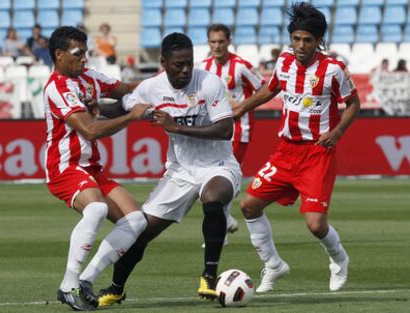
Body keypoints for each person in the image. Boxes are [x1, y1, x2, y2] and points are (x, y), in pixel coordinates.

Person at [96, 32, 242, 307]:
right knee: (140, 233)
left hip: (218, 166)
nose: (186, 69)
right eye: (178, 65)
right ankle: (116, 288)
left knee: (213, 199)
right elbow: (123, 106)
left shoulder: (209, 82)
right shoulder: (151, 88)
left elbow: (225, 129)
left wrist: (176, 127)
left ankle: (209, 276)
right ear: (163, 62)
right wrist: (92, 111)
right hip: (180, 172)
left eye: (189, 63)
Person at [233, 2, 360, 293]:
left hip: (316, 154)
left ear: (319, 41)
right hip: (285, 151)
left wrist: (338, 131)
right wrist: (242, 108)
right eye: (296, 39)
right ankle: (274, 265)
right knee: (248, 206)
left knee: (316, 225)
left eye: (307, 40)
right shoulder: (285, 62)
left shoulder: (333, 70)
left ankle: (339, 259)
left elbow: (354, 103)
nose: (301, 45)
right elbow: (270, 89)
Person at [44, 26, 150, 311]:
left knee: (137, 221)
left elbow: (126, 90)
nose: (85, 58)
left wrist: (144, 93)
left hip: (91, 167)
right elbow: (89, 131)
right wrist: (132, 116)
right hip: (65, 166)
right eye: (78, 53)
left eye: (86, 51)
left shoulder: (89, 78)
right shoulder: (58, 87)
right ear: (59, 55)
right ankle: (68, 285)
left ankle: (85, 281)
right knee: (97, 208)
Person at [200, 23, 265, 243]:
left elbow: (264, 88)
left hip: (239, 128)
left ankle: (221, 226)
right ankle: (225, 221)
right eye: (213, 42)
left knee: (224, 175)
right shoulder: (203, 66)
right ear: (208, 43)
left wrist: (242, 105)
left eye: (221, 41)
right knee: (210, 175)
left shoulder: (240, 66)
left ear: (229, 41)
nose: (217, 46)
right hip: (213, 129)